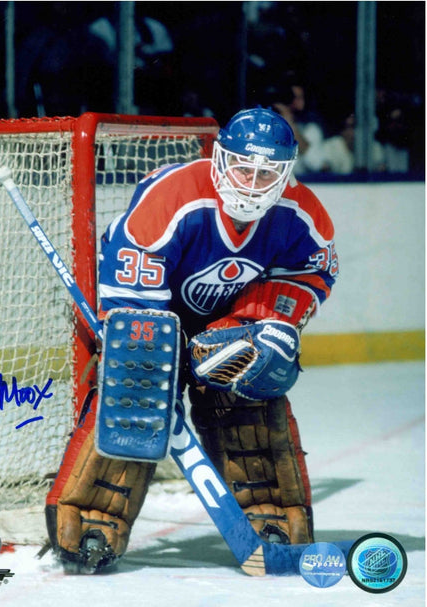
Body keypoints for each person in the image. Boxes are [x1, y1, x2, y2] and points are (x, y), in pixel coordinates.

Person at [45, 107, 339, 573]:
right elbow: (130, 295)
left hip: (227, 321)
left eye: (267, 173)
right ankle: (94, 520)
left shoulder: (300, 213)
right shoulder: (174, 194)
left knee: (249, 390)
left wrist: (254, 326)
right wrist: (161, 355)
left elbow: (311, 272)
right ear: (221, 160)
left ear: (286, 173)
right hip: (151, 314)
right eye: (243, 167)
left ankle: (268, 518)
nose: (251, 183)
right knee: (136, 397)